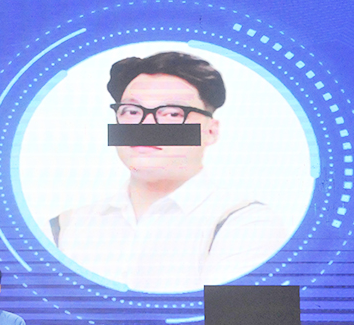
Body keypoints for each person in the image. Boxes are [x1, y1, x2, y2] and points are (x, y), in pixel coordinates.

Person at [50, 51, 283, 293]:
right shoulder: (66, 227)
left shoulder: (247, 224)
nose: (146, 125)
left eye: (172, 113)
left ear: (210, 132)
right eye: (131, 111)